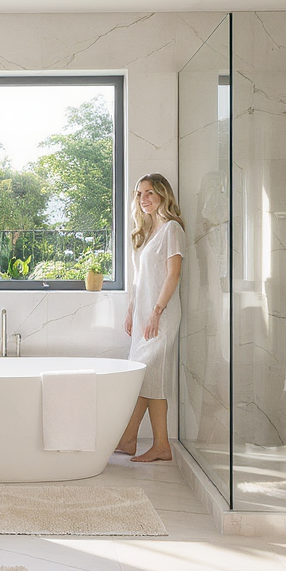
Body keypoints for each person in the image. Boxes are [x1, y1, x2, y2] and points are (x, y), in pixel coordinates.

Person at [116, 173, 185, 462]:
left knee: (148, 375)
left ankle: (130, 437)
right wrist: (133, 310)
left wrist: (156, 312)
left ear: (162, 195)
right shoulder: (146, 233)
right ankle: (157, 445)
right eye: (139, 194)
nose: (143, 199)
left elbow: (173, 274)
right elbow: (139, 280)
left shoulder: (171, 229)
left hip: (162, 316)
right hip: (144, 316)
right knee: (151, 380)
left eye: (149, 193)